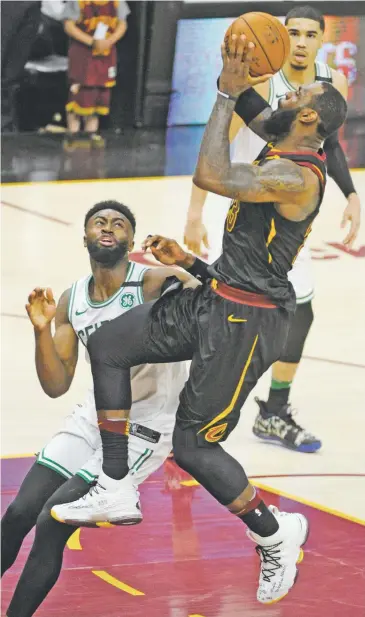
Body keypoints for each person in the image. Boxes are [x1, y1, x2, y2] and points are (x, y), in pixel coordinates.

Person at [51, 37, 348, 604]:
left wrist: (221, 94)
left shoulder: (296, 177)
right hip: (218, 294)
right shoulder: (283, 136)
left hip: (247, 322)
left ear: (307, 116)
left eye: (300, 91)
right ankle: (116, 485)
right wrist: (235, 75)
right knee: (110, 343)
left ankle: (274, 533)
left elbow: (211, 173)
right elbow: (253, 108)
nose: (286, 88)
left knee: (194, 448)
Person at [1, 200, 197, 617]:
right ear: (86, 238)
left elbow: (190, 287)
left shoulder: (149, 282)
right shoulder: (73, 298)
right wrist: (41, 331)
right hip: (94, 417)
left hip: (145, 426)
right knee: (19, 512)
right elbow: (55, 385)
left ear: (130, 241)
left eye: (119, 223)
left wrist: (182, 265)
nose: (108, 227)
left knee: (51, 523)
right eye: (99, 222)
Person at [184, 5, 361, 453]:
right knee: (226, 323)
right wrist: (230, 78)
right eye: (292, 33)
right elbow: (237, 124)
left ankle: (244, 417)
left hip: (262, 228)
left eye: (309, 33)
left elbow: (216, 167)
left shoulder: (319, 103)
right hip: (245, 209)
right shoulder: (280, 96)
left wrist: (351, 193)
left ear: (322, 39)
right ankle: (208, 419)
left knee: (269, 320)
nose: (300, 41)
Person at [63, 0, 130, 137]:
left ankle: (90, 137)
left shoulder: (116, 2)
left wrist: (110, 41)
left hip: (105, 58)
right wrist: (92, 42)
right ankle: (73, 137)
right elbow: (68, 25)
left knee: (96, 102)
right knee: (78, 98)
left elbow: (122, 23)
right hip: (83, 58)